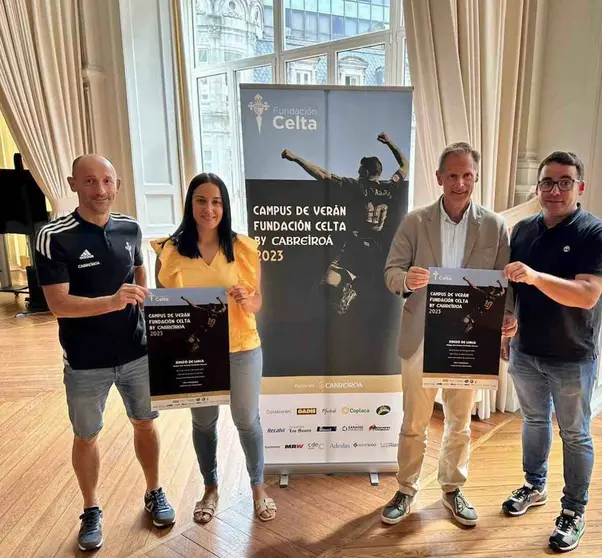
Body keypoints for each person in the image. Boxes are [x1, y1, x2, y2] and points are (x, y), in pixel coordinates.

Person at [34, 155, 176, 552]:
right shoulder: (53, 235)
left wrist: (144, 300)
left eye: (107, 182)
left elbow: (138, 270)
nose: (100, 190)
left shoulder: (130, 227)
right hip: (84, 362)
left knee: (145, 424)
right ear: (73, 184)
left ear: (116, 185)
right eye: (91, 181)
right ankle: (91, 508)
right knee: (86, 436)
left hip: (137, 353)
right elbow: (58, 304)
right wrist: (112, 301)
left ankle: (154, 491)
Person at [381, 142, 517, 526]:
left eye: (467, 175)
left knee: (459, 422)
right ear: (439, 178)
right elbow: (390, 272)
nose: (460, 183)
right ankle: (406, 488)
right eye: (453, 175)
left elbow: (505, 283)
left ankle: (453, 489)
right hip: (422, 337)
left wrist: (507, 317)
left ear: (476, 177)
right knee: (414, 422)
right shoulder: (414, 222)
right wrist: (406, 279)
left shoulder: (494, 225)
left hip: (470, 341)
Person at [501, 151, 602, 553]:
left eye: (565, 182)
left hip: (572, 355)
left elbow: (586, 295)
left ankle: (573, 511)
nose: (555, 190)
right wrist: (506, 325)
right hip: (526, 350)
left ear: (579, 187)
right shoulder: (522, 231)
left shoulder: (595, 234)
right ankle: (534, 486)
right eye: (548, 182)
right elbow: (511, 288)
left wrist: (535, 277)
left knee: (575, 434)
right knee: (534, 421)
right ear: (538, 187)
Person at [152, 172, 276, 525]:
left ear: (225, 206)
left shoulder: (243, 248)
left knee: (246, 421)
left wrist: (247, 298)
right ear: (190, 205)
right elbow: (168, 306)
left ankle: (257, 488)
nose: (209, 209)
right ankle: (210, 488)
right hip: (197, 353)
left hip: (242, 346)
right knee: (203, 423)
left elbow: (257, 303)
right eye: (202, 201)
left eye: (216, 201)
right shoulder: (171, 251)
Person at [281, 132, 408, 315]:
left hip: (356, 244)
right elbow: (405, 164)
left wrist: (296, 159)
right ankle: (349, 289)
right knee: (350, 275)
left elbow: (323, 175)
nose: (357, 172)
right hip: (376, 248)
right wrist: (389, 143)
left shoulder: (358, 186)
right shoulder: (390, 186)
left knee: (328, 279)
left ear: (365, 172)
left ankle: (343, 293)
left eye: (359, 169)